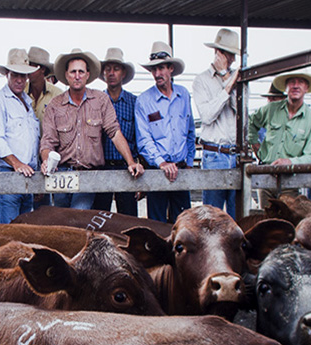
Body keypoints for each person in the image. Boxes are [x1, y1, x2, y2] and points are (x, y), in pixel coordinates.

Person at [40, 48, 143, 209]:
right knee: (62, 220)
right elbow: (47, 141)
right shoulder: (54, 105)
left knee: (80, 214)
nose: (77, 75)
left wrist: (130, 162)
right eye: (73, 72)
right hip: (61, 173)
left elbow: (114, 132)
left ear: (88, 75)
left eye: (81, 71)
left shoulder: (101, 100)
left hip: (88, 173)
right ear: (66, 75)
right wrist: (46, 160)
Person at [135, 41, 196, 223]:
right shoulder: (144, 100)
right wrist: (161, 163)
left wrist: (190, 162)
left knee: (184, 224)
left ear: (170, 68)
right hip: (157, 171)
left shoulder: (183, 95)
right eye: (153, 70)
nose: (157, 74)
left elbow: (190, 132)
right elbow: (144, 139)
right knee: (157, 224)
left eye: (161, 68)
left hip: (181, 169)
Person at [248, 71, 311, 206]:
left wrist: (290, 162)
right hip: (266, 177)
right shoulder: (271, 109)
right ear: (286, 87)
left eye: (300, 82)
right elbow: (250, 123)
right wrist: (255, 145)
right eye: (292, 82)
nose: (295, 86)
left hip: (291, 182)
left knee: (287, 222)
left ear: (306, 88)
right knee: (266, 221)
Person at [0, 48, 39, 223]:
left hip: (28, 176)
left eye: (23, 76)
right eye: (15, 75)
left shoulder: (28, 103)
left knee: (25, 231)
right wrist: (17, 164)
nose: (19, 80)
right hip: (8, 173)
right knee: (9, 232)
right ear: (7, 74)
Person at [193, 28, 240, 219]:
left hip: (236, 154)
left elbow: (241, 110)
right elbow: (207, 115)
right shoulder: (201, 81)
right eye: (227, 54)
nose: (231, 59)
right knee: (212, 218)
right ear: (218, 53)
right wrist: (227, 87)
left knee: (237, 216)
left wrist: (228, 79)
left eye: (232, 55)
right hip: (214, 154)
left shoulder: (239, 79)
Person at [92, 47, 138, 216]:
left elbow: (140, 138)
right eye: (107, 69)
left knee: (128, 219)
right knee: (98, 219)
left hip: (126, 169)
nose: (111, 73)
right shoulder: (95, 102)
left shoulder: (134, 103)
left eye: (116, 69)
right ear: (103, 73)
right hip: (101, 169)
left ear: (123, 73)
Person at [25, 46, 62, 208]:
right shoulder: (19, 92)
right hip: (25, 157)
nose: (27, 70)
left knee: (44, 208)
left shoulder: (58, 95)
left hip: (50, 156)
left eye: (32, 65)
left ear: (42, 70)